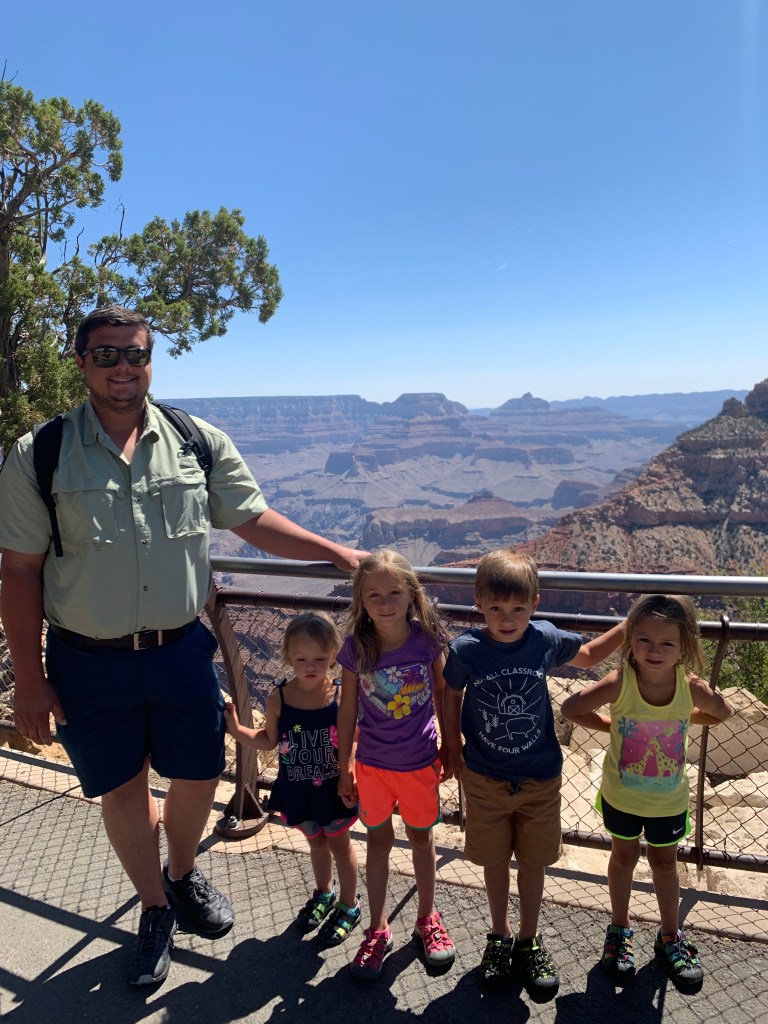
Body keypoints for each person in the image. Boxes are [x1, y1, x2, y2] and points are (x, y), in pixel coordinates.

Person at [0, 304, 365, 987]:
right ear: (81, 363)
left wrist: (337, 553)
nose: (123, 367)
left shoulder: (196, 440)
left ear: (149, 360)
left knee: (200, 773)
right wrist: (29, 675)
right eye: (105, 354)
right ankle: (155, 906)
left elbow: (253, 519)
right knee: (123, 788)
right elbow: (18, 570)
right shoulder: (39, 453)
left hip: (179, 651)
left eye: (135, 353)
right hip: (86, 658)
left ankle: (183, 870)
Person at [442, 548, 625, 1000]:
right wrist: (451, 743)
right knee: (494, 861)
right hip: (484, 776)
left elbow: (587, 656)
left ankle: (528, 938)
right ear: (478, 602)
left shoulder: (543, 638)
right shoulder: (466, 650)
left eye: (518, 609)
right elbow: (450, 694)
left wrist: (629, 625)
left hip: (540, 777)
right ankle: (499, 936)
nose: (507, 619)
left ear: (535, 604)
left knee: (533, 861)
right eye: (496, 608)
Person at [561, 594, 732, 988]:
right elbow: (571, 709)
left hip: (668, 802)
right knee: (622, 858)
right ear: (630, 640)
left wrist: (683, 716)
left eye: (667, 643)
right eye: (644, 640)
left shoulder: (690, 687)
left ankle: (670, 934)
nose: (655, 651)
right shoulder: (621, 682)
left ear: (684, 645)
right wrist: (612, 725)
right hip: (622, 797)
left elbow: (722, 712)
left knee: (665, 865)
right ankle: (619, 928)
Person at [336, 550, 456, 981]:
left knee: (422, 839)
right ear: (361, 601)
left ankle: (427, 918)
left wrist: (451, 744)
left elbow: (443, 691)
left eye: (394, 593)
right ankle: (378, 927)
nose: (385, 603)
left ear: (411, 594)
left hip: (420, 762)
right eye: (374, 595)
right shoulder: (356, 648)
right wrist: (345, 764)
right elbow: (347, 709)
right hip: (372, 766)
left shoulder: (427, 639)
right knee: (378, 842)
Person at [224, 612, 361, 944]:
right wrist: (237, 731)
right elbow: (269, 739)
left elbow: (355, 739)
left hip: (334, 791)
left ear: (333, 655)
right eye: (301, 659)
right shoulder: (279, 697)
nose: (310, 666)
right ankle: (324, 892)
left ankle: (349, 904)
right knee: (316, 843)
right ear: (287, 656)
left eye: (320, 659)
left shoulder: (340, 696)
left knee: (340, 845)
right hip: (300, 792)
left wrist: (351, 772)